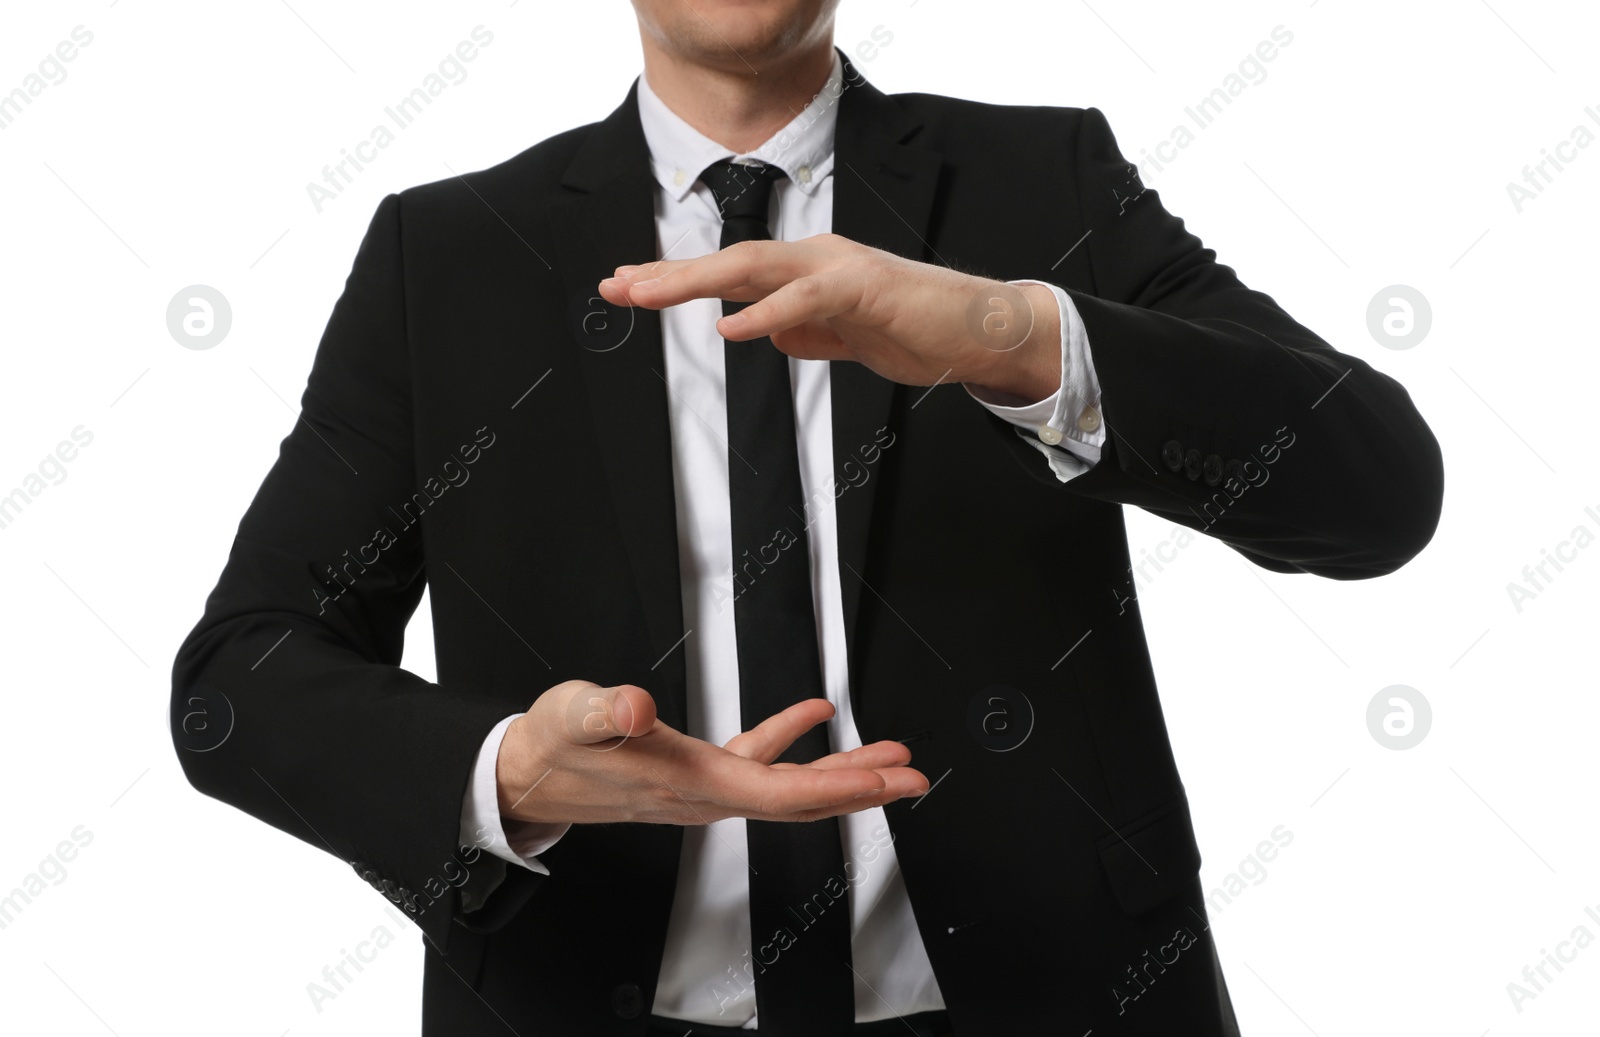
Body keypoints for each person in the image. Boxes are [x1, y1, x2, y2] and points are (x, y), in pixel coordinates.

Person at [170, 2, 1444, 1034]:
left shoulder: (1042, 180)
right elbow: (239, 677)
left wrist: (1000, 335)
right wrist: (507, 771)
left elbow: (1378, 492)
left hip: (1049, 997)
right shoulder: (446, 253)